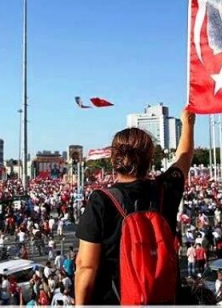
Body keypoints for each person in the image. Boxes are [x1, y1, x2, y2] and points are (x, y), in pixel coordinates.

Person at [73, 109, 195, 305]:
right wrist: (188, 124)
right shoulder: (166, 190)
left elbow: (86, 266)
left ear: (114, 160)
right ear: (150, 159)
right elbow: (184, 157)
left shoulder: (101, 200)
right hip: (163, 299)